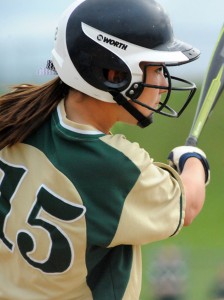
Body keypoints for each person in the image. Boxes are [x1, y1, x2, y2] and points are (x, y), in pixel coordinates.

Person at [0, 0, 210, 299]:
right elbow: (187, 206)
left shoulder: (19, 119)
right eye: (156, 68)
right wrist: (193, 159)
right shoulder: (112, 166)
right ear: (113, 74)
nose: (163, 83)